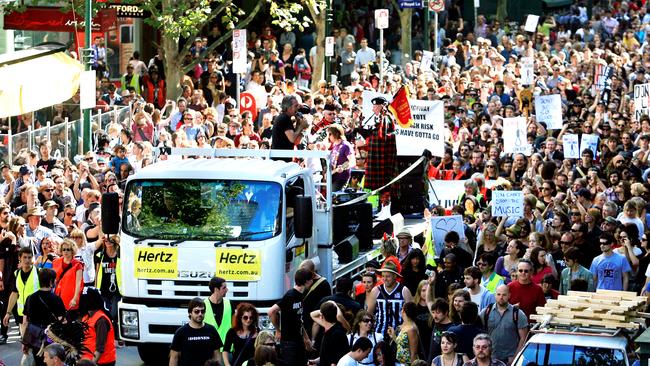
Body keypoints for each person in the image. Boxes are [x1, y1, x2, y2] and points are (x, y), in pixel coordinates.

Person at [268, 268, 314, 366]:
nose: (312, 281)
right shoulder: (290, 295)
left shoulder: (301, 295)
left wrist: (306, 339)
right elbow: (271, 311)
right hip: (289, 343)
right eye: (311, 279)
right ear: (306, 281)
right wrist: (278, 330)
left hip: (299, 340)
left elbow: (298, 319)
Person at [23, 268, 66, 366]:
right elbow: (62, 321)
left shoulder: (30, 298)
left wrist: (25, 342)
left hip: (35, 339)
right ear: (51, 281)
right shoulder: (56, 299)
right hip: (51, 339)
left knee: (39, 363)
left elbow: (25, 322)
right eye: (54, 279)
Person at [479, 285, 528, 364]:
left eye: (504, 295)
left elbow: (523, 338)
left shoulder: (518, 314)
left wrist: (515, 358)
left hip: (509, 359)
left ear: (509, 295)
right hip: (490, 358)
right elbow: (478, 334)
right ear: (495, 295)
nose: (501, 297)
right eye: (498, 294)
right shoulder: (486, 312)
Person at [169, 297, 223, 366]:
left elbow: (217, 355)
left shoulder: (211, 330)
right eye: (196, 311)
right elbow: (174, 357)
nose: (200, 314)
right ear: (190, 313)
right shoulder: (181, 332)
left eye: (202, 311)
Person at [366, 261, 413, 336]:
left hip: (399, 333)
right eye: (383, 276)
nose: (385, 279)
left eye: (388, 276)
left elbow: (411, 315)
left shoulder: (404, 290)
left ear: (395, 276)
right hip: (379, 333)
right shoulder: (376, 290)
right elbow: (369, 314)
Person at [2, 247, 39, 331]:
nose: (27, 260)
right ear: (19, 258)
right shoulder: (17, 273)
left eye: (29, 257)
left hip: (36, 314)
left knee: (36, 343)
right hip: (22, 313)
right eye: (24, 257)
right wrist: (8, 313)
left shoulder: (38, 272)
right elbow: (14, 294)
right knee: (24, 342)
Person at [80, 287, 116, 366]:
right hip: (87, 360)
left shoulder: (101, 321)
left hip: (101, 362)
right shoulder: (86, 317)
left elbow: (100, 348)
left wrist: (91, 364)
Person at [309, 301, 349, 366]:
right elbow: (328, 355)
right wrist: (315, 361)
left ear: (322, 316)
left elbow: (336, 361)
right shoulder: (329, 330)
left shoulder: (337, 334)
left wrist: (332, 304)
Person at [270, 95, 309, 159]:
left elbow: (295, 140)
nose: (298, 108)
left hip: (283, 158)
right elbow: (292, 138)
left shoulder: (286, 117)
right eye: (295, 106)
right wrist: (301, 126)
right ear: (288, 108)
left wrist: (299, 123)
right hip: (280, 159)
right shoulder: (284, 118)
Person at [52, 238, 84, 312]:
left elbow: (79, 283)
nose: (66, 251)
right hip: (58, 295)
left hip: (71, 296)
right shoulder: (56, 262)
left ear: (72, 250)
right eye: (64, 249)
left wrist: (75, 298)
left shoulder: (77, 264)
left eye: (68, 249)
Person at [204, 276, 232, 352]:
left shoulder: (230, 304)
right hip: (208, 350)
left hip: (226, 350)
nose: (227, 290)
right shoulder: (203, 305)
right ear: (216, 289)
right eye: (224, 288)